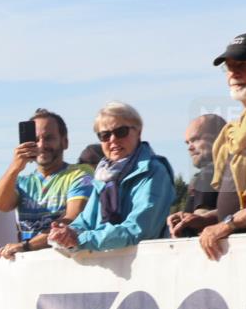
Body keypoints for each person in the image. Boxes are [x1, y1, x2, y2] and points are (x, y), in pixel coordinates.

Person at [48, 102, 175, 252]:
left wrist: (79, 239)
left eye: (121, 132)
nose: (113, 139)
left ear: (138, 132)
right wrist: (66, 233)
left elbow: (138, 230)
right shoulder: (103, 177)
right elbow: (85, 222)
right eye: (105, 135)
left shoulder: (154, 171)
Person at [0, 109, 93, 260]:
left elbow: (72, 219)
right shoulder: (23, 182)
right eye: (35, 139)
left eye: (49, 138)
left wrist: (27, 246)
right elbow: (0, 204)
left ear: (65, 142)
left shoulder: (81, 174)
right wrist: (15, 167)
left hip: (68, 262)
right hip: (30, 264)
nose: (41, 145)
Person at [197, 31, 246, 260]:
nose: (233, 73)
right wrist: (208, 218)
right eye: (229, 67)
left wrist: (228, 224)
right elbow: (245, 200)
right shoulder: (237, 130)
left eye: (243, 64)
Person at [166, 114, 227, 237]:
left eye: (196, 139)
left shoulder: (208, 173)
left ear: (219, 137)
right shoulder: (243, 168)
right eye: (187, 143)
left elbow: (200, 222)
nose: (190, 147)